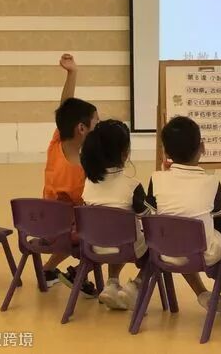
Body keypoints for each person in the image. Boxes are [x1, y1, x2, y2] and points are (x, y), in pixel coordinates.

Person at [146, 116, 221, 312]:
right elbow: (218, 211)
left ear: (166, 152)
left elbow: (152, 208)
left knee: (178, 231)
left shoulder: (156, 178)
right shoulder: (211, 182)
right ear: (202, 147)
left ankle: (202, 293)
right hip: (204, 255)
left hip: (164, 252)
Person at [41, 53, 98, 298]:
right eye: (96, 123)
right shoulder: (81, 173)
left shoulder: (56, 144)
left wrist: (72, 73)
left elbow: (66, 109)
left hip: (44, 223)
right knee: (105, 229)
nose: (98, 126)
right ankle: (79, 272)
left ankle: (47, 270)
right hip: (66, 233)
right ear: (82, 128)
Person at [80, 119, 149, 310]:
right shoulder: (132, 186)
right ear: (125, 153)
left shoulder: (88, 183)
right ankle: (136, 286)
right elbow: (148, 217)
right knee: (154, 249)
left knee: (113, 231)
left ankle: (111, 283)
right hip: (128, 248)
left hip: (94, 246)